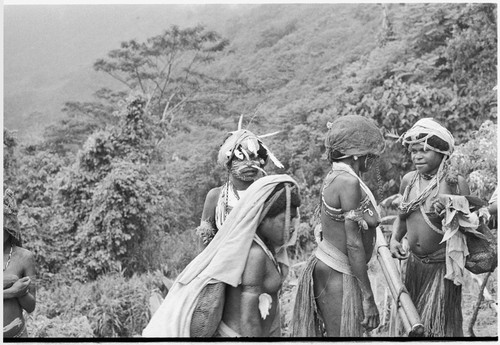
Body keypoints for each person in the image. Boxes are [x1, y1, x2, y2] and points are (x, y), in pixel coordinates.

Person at [143, 175, 301, 337]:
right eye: (286, 219)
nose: (292, 227)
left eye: (294, 219)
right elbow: (248, 319)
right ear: (263, 216)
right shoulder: (255, 254)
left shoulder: (260, 248)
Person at [292, 115, 383, 337]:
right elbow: (353, 243)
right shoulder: (348, 182)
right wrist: (368, 296)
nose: (370, 159)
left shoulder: (337, 175)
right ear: (355, 154)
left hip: (331, 269)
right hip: (337, 272)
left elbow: (367, 219)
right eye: (367, 154)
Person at [389, 118, 470, 337]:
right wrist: (395, 239)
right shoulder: (409, 180)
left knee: (441, 329)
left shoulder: (454, 182)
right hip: (415, 266)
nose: (417, 156)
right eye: (413, 151)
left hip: (441, 270)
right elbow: (403, 215)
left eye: (424, 150)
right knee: (414, 328)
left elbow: (468, 226)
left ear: (442, 152)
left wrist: (450, 215)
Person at [196, 120, 283, 246]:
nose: (249, 164)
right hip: (222, 262)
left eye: (254, 157)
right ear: (228, 163)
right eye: (241, 158)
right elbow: (203, 242)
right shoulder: (215, 197)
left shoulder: (266, 194)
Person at [3, 188, 37, 338]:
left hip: (18, 336)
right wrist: (11, 292)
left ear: (10, 228)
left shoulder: (25, 257)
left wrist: (21, 292)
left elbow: (31, 306)